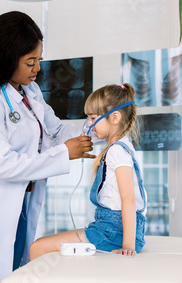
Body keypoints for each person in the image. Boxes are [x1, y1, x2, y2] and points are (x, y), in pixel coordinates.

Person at [0, 11, 95, 283]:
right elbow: (4, 164)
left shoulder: (30, 91)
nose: (37, 68)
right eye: (30, 61)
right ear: (5, 58)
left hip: (19, 200)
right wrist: (65, 153)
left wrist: (97, 128)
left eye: (38, 59)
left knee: (15, 272)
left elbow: (57, 131)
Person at [29, 84, 147, 260]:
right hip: (112, 229)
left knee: (37, 247)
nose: (89, 126)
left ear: (114, 117)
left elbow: (128, 199)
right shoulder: (124, 146)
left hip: (113, 232)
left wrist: (128, 245)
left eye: (92, 118)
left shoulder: (116, 151)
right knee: (39, 246)